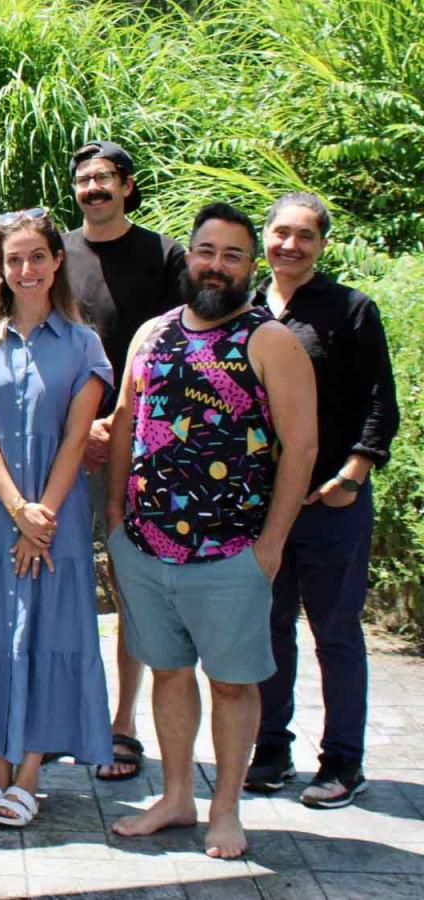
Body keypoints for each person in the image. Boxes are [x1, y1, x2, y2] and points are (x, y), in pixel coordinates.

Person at [106, 203, 317, 859]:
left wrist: (271, 545)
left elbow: (302, 447)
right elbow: (123, 426)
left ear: (250, 267)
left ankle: (225, 809)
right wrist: (114, 520)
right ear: (188, 256)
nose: (216, 264)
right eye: (207, 250)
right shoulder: (153, 334)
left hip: (231, 552)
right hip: (146, 546)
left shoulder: (269, 340)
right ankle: (175, 797)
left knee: (231, 683)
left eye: (232, 254)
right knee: (168, 674)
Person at [0, 208, 114, 829]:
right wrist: (16, 508)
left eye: (37, 257)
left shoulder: (84, 343)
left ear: (57, 261)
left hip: (54, 511)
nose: (26, 269)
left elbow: (75, 437)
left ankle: (29, 773)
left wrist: (43, 517)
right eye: (14, 260)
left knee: (45, 635)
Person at [243, 193, 399, 807]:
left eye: (305, 236)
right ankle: (270, 748)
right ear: (265, 236)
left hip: (331, 500)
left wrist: (354, 473)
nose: (290, 245)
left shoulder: (351, 310)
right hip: (258, 501)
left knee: (335, 632)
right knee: (268, 627)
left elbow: (380, 401)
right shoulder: (245, 309)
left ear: (321, 245)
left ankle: (342, 761)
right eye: (281, 233)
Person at [63, 141, 186, 781]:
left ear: (128, 186)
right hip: (64, 446)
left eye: (105, 179)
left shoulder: (165, 256)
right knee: (61, 580)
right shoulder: (57, 253)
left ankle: (122, 724)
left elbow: (177, 348)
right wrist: (75, 430)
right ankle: (62, 715)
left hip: (143, 450)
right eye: (84, 180)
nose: (94, 189)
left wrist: (122, 424)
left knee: (132, 589)